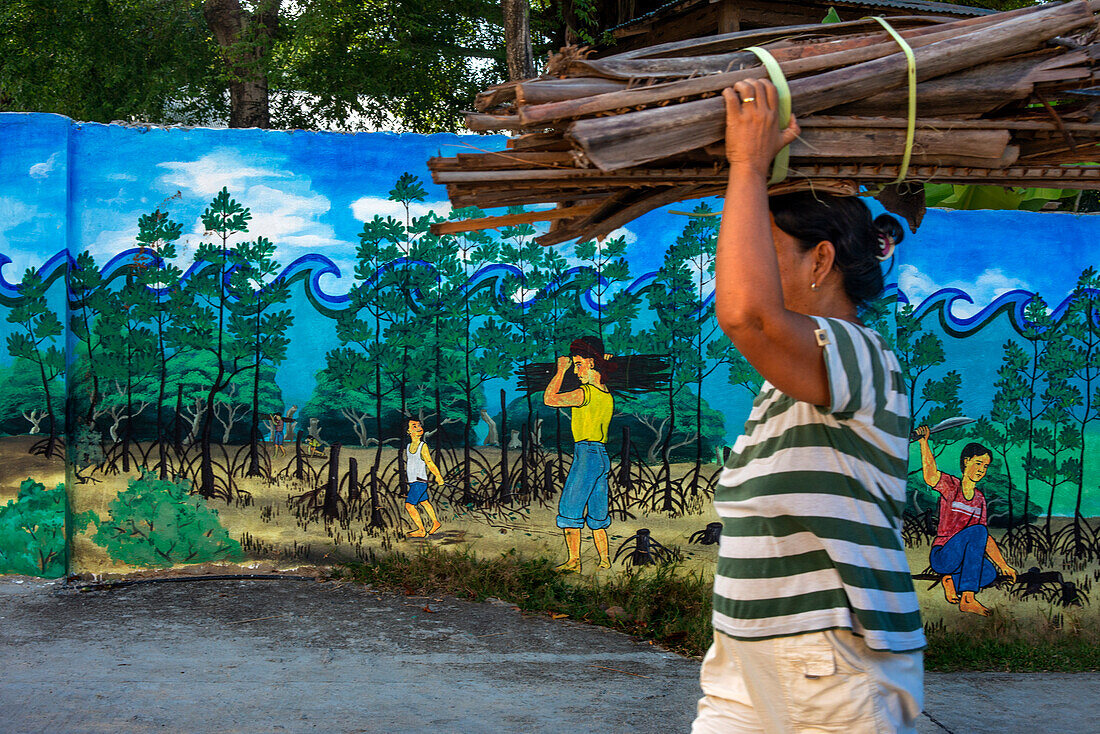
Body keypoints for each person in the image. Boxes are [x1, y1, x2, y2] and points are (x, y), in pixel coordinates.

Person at [693, 78, 925, 733]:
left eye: (767, 251)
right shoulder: (791, 381)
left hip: (830, 663)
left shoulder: (862, 355)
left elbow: (746, 315)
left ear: (821, 260)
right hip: (745, 660)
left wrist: (748, 164)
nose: (746, 266)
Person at [915, 426, 1017, 616]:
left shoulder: (979, 499)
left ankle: (950, 581)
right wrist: (923, 441)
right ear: (966, 461)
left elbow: (984, 538)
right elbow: (930, 477)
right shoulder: (951, 486)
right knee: (977, 531)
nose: (981, 470)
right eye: (978, 463)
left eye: (985, 466)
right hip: (943, 555)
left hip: (961, 561)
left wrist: (1003, 565)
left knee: (989, 573)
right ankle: (968, 599)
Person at [543, 336, 615, 572]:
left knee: (570, 509)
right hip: (602, 456)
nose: (576, 370)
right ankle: (604, 560)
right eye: (574, 365)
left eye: (578, 363)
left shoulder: (584, 393)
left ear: (591, 363)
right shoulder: (606, 393)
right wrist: (602, 360)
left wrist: (560, 370)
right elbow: (603, 368)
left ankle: (574, 561)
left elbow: (549, 399)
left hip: (586, 455)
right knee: (597, 511)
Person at [403, 418, 444, 538]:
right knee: (424, 502)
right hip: (413, 481)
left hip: (419, 482)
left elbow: (429, 462)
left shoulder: (423, 446)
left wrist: (438, 476)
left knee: (409, 506)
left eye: (419, 425)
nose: (418, 428)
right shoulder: (409, 446)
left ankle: (421, 530)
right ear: (408, 431)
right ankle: (436, 522)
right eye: (414, 426)